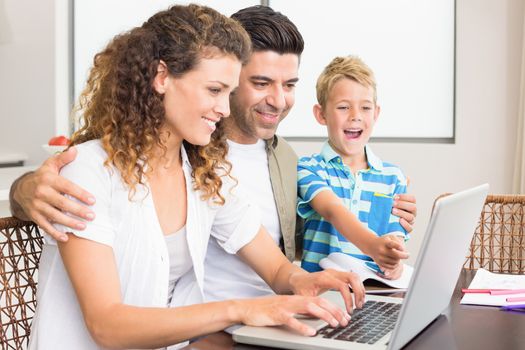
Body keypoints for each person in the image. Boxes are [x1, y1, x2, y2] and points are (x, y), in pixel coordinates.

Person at [9, 6, 417, 304]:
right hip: (209, 327)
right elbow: (83, 175)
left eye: (289, 84)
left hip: (253, 321)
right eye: (258, 82)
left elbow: (284, 260)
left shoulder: (260, 163)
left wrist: (385, 223)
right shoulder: (171, 147)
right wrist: (23, 189)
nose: (278, 100)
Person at [298, 55, 410, 278]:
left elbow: (394, 236)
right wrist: (374, 247)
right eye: (343, 107)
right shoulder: (308, 168)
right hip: (322, 294)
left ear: (376, 114)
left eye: (365, 108)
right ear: (321, 114)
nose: (355, 117)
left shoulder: (393, 177)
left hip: (373, 294)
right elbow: (332, 211)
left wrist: (393, 261)